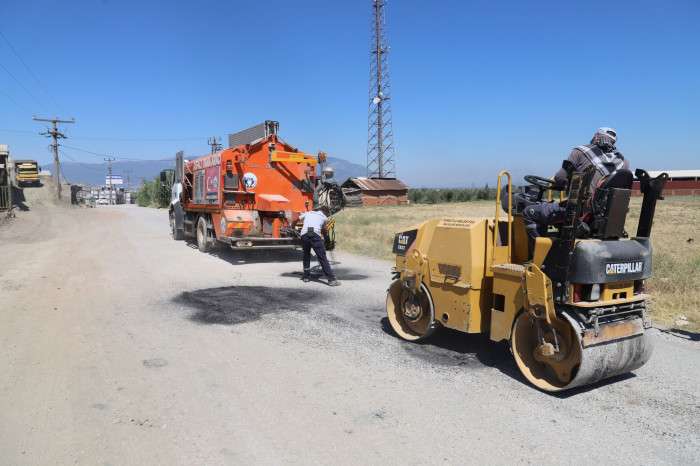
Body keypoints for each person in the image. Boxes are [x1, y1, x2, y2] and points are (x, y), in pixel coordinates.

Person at [522, 127, 629, 238]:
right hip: (604, 215)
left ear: (596, 137)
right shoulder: (623, 162)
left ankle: (539, 248)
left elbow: (560, 178)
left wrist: (560, 184)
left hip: (577, 212)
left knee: (528, 212)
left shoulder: (580, 151)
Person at [299, 206, 340, 286]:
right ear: (325, 212)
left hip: (304, 234)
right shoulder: (324, 217)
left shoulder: (308, 213)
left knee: (306, 255)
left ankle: (306, 277)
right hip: (315, 235)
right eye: (327, 214)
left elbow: (296, 219)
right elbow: (324, 230)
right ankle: (331, 280)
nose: (327, 215)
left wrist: (293, 226)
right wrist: (327, 240)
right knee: (322, 257)